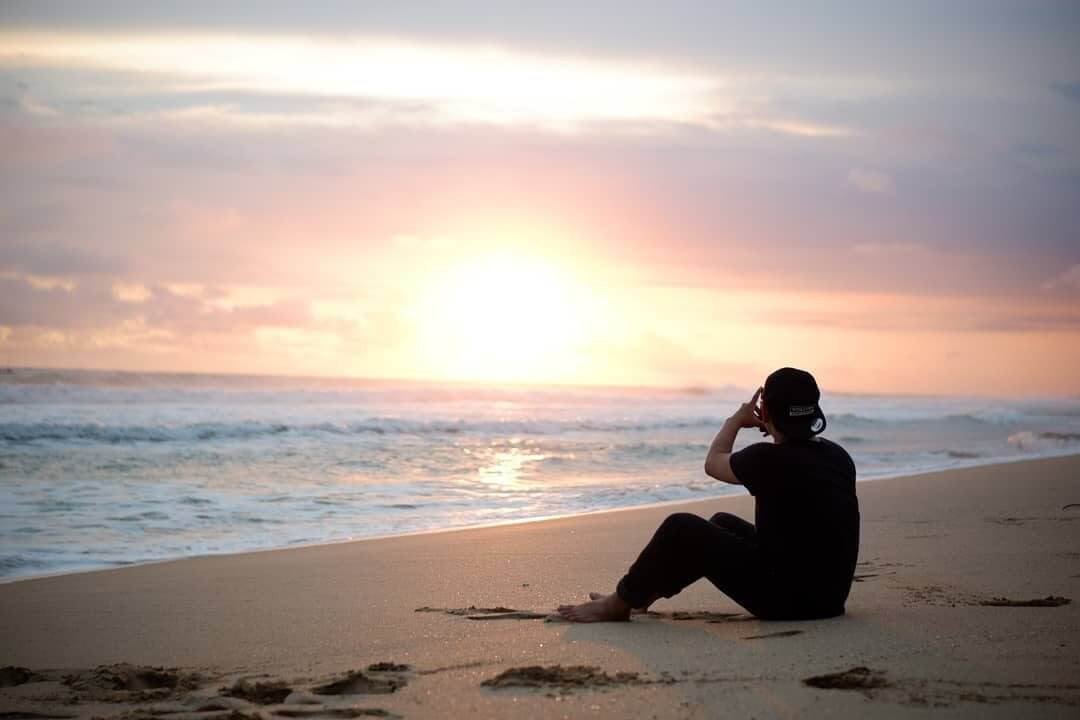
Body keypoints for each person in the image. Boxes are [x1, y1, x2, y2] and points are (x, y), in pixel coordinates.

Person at [557, 367, 859, 622]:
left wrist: (735, 421)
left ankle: (616, 605)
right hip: (829, 600)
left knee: (681, 527)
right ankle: (643, 596)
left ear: (765, 410)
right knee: (721, 523)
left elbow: (713, 463)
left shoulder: (768, 459)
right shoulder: (837, 455)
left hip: (789, 603)